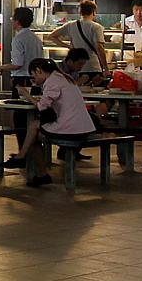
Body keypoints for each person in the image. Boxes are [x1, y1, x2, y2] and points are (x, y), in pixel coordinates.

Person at [16, 58, 97, 187]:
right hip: (83, 127)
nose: (34, 79)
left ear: (39, 71)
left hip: (70, 129)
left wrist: (26, 94)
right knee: (34, 131)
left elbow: (42, 106)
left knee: (33, 130)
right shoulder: (64, 78)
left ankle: (29, 162)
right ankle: (22, 156)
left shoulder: (53, 82)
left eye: (34, 75)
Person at [0, 7, 44, 158]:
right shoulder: (35, 38)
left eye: (12, 18)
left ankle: (23, 151)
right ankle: (32, 151)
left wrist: (2, 67)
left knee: (20, 117)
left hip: (22, 81)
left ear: (17, 21)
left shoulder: (18, 39)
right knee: (32, 115)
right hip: (36, 80)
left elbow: (17, 63)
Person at [47, 0, 106, 79]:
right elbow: (100, 48)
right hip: (92, 67)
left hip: (75, 67)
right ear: (94, 12)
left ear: (80, 12)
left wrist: (68, 46)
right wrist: (106, 67)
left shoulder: (70, 25)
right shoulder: (96, 27)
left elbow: (51, 36)